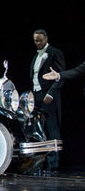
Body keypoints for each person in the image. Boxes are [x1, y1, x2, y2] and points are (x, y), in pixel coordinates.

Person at [30, 29, 65, 173]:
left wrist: (51, 93)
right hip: (37, 95)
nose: (38, 43)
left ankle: (53, 165)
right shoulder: (36, 56)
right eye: (35, 41)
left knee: (51, 129)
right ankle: (40, 163)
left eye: (40, 40)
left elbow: (60, 76)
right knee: (38, 130)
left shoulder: (55, 53)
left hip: (49, 96)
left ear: (46, 39)